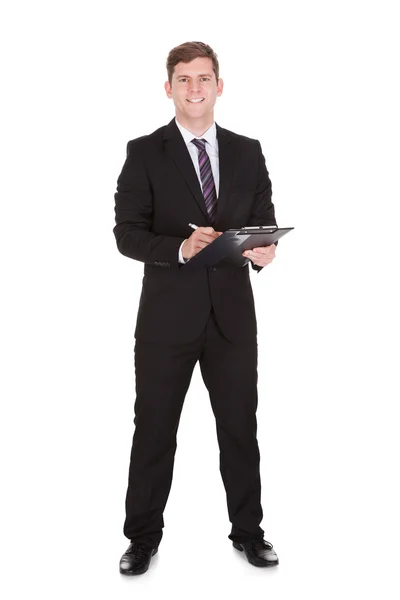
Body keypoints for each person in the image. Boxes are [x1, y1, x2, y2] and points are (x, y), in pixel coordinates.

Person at [113, 41, 279, 576]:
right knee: (155, 429)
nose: (194, 88)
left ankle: (249, 534)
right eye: (183, 79)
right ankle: (141, 538)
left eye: (203, 78)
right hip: (166, 322)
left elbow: (263, 219)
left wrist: (265, 251)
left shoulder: (248, 151)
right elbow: (127, 234)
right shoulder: (144, 153)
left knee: (239, 428)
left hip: (232, 320)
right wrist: (180, 249)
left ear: (219, 86)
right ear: (169, 88)